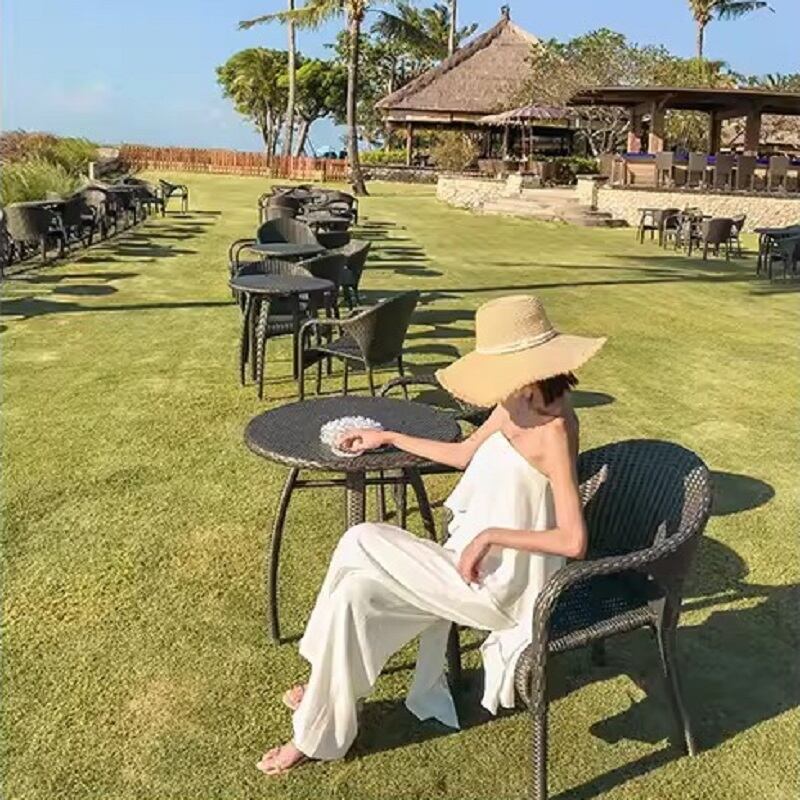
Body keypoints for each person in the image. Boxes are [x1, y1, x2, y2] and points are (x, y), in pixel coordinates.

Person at [257, 294, 606, 775]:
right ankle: (319, 731)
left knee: (359, 539)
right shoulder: (512, 404)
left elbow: (573, 541)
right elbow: (463, 455)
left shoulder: (556, 429)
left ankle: (318, 684)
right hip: (459, 565)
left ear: (529, 370)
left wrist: (490, 536)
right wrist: (388, 438)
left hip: (500, 588)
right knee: (355, 595)